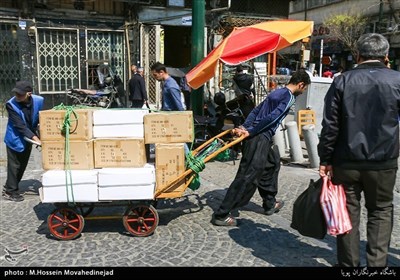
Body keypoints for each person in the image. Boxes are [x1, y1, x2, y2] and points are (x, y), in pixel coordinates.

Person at [318, 33, 400, 267]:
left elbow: (330, 125)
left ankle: (349, 265)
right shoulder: (397, 80)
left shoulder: (342, 81)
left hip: (346, 160)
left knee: (348, 212)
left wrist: (325, 158)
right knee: (381, 211)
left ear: (357, 55)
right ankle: (376, 265)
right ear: (386, 56)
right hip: (383, 160)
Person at [211, 69, 311, 226]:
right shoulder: (289, 98)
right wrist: (249, 130)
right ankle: (222, 214)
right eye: (304, 88)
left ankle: (269, 202)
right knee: (248, 176)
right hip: (259, 137)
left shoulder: (277, 92)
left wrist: (245, 126)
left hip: (256, 135)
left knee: (272, 164)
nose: (303, 91)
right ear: (301, 84)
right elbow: (273, 118)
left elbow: (256, 111)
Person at [3, 81, 44, 202]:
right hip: (15, 137)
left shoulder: (39, 101)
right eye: (16, 93)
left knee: (22, 164)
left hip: (29, 136)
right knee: (14, 165)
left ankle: (11, 186)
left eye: (20, 94)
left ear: (29, 94)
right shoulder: (11, 104)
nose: (17, 96)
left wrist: (40, 134)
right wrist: (36, 139)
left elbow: (39, 117)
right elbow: (20, 126)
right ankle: (10, 191)